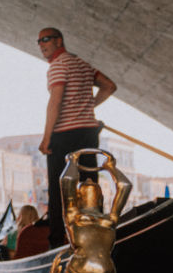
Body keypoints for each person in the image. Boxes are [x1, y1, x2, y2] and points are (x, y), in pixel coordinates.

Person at [37, 28, 116, 247]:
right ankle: (96, 236)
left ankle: (57, 242)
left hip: (64, 135)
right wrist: (89, 106)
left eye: (46, 39)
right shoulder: (82, 64)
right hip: (89, 133)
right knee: (89, 184)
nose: (41, 44)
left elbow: (55, 101)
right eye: (39, 41)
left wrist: (46, 138)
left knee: (59, 190)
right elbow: (109, 87)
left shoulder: (57, 66)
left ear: (58, 41)